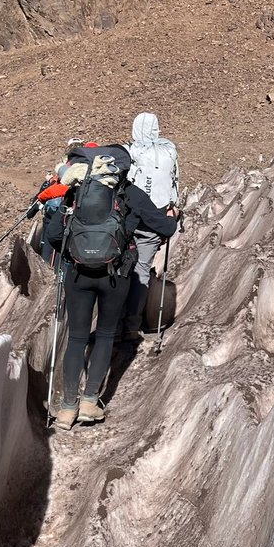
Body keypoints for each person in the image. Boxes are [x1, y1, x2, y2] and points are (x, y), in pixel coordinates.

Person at [44, 147, 178, 431]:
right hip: (116, 276)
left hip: (78, 275)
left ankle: (67, 409)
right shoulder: (131, 193)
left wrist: (74, 255)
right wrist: (173, 216)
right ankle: (91, 402)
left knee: (78, 338)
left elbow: (55, 234)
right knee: (105, 334)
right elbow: (164, 229)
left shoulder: (77, 193)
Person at [122, 113, 180, 342]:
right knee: (142, 270)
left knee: (120, 267)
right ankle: (132, 324)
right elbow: (175, 182)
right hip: (155, 219)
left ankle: (112, 320)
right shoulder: (168, 151)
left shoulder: (130, 151)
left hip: (129, 217)